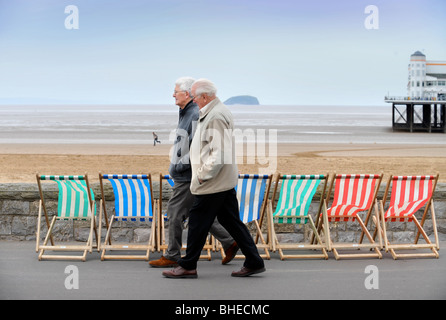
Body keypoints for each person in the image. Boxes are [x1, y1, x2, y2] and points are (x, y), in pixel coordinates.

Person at [162, 79, 265, 279]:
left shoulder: (215, 115)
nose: (193, 99)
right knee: (231, 221)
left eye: (194, 96)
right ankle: (254, 260)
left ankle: (188, 265)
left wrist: (202, 175)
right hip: (221, 180)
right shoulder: (212, 112)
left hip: (213, 181)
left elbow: (220, 152)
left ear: (205, 97)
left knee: (197, 222)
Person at [150, 77, 239, 268]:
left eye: (176, 91)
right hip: (188, 174)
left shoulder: (192, 114)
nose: (173, 94)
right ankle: (230, 241)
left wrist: (182, 167)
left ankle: (173, 255)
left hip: (188, 175)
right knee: (196, 213)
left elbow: (198, 147)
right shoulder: (185, 112)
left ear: (188, 93)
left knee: (174, 213)